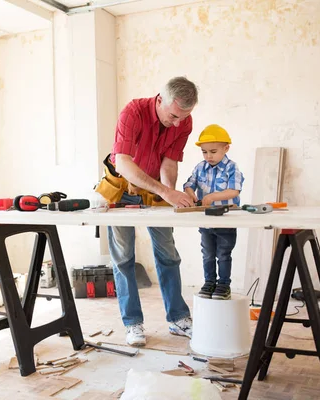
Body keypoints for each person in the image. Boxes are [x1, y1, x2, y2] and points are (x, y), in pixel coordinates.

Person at [95, 76, 199, 346]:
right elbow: (123, 162)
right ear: (160, 99)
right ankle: (133, 324)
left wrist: (171, 193)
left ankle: (178, 319)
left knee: (168, 255)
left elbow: (170, 161)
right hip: (123, 187)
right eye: (174, 116)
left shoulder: (183, 120)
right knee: (123, 258)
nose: (178, 123)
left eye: (184, 118)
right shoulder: (133, 112)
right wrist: (166, 192)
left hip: (155, 189)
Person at [183, 124, 244, 300]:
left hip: (227, 220)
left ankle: (224, 285)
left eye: (213, 151)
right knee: (208, 254)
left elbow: (234, 191)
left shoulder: (232, 168)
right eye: (204, 152)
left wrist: (212, 197)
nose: (208, 156)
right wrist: (190, 193)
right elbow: (189, 184)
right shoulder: (199, 167)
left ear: (226, 148)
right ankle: (209, 282)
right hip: (206, 220)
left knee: (224, 253)